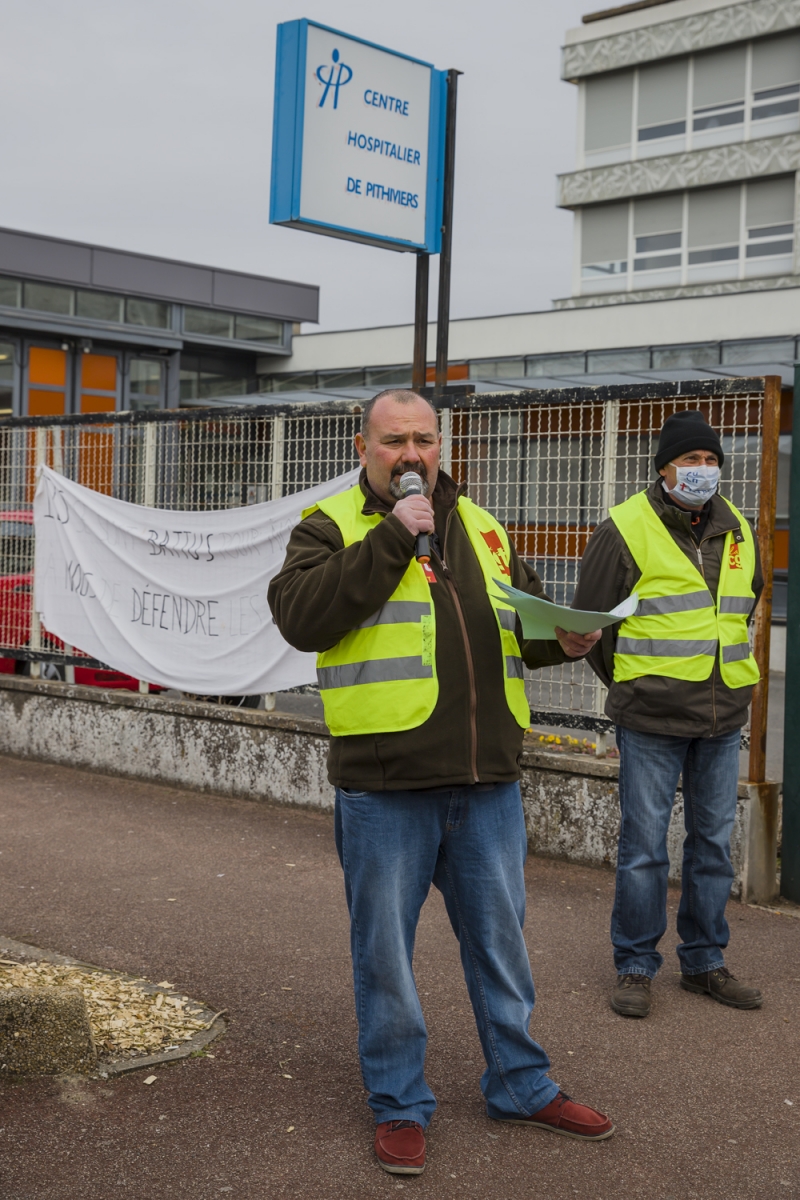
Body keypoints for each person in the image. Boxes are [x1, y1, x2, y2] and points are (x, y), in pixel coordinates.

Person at [268, 388, 614, 1176]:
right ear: (365, 449)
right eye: (394, 441)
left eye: (424, 438)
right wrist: (395, 536)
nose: (412, 454)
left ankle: (521, 1084)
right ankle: (399, 1103)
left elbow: (518, 630)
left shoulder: (483, 527)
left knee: (502, 948)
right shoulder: (332, 528)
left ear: (442, 445)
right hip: (386, 788)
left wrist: (566, 636)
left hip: (487, 782)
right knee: (385, 955)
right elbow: (300, 617)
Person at [572, 409, 764, 1019]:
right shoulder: (624, 527)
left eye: (711, 461)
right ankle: (634, 963)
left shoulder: (737, 529)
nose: (702, 471)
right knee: (645, 848)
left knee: (712, 845)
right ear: (663, 467)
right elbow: (592, 624)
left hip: (721, 713)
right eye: (690, 460)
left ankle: (704, 961)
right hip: (651, 716)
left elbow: (743, 607)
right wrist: (638, 680)